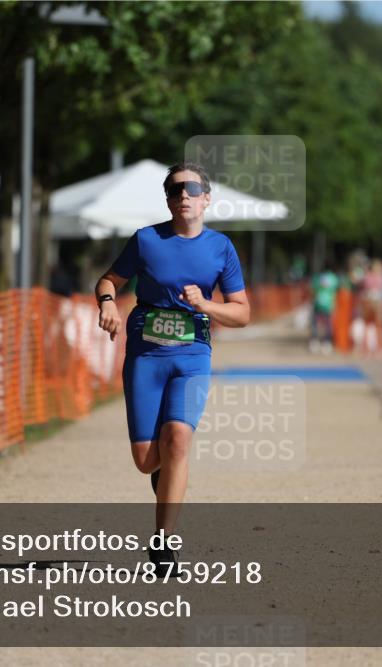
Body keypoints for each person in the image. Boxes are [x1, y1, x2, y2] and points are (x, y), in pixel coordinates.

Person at [95, 162, 250, 576]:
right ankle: (163, 480)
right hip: (146, 356)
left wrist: (206, 305)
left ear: (206, 198)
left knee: (178, 438)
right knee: (148, 461)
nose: (184, 194)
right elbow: (108, 280)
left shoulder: (221, 248)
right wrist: (108, 302)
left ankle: (164, 544)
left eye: (192, 188)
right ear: (167, 199)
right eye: (175, 188)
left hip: (193, 355)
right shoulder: (146, 240)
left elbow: (241, 314)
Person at [310, 261, 339, 354]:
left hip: (318, 304)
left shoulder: (317, 277)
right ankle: (326, 343)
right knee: (328, 325)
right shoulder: (334, 278)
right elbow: (335, 291)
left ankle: (314, 342)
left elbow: (313, 290)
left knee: (316, 324)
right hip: (329, 304)